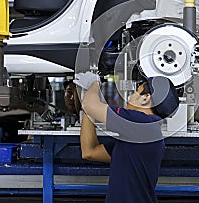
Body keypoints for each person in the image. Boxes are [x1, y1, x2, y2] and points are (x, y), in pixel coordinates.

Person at [74, 72, 179, 203]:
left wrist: (94, 84)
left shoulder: (142, 124)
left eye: (137, 91)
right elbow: (90, 152)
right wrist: (88, 101)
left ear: (146, 98)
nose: (131, 95)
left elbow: (90, 106)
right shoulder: (141, 132)